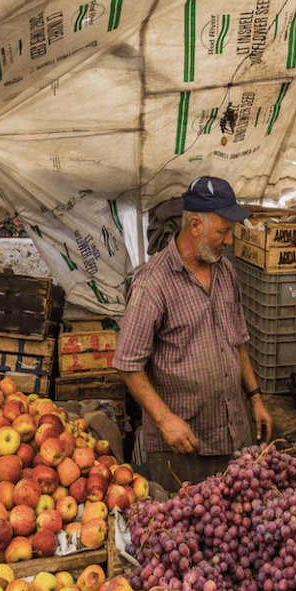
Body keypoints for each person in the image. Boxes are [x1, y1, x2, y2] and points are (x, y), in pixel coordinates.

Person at [113, 176, 273, 493]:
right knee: (184, 535)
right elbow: (127, 364)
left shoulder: (225, 271)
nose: (229, 241)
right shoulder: (152, 283)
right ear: (196, 225)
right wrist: (164, 420)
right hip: (184, 446)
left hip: (233, 436)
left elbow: (237, 341)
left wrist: (255, 398)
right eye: (224, 231)